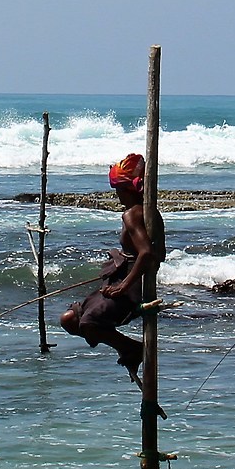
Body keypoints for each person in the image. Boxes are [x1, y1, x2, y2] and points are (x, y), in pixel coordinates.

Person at [61, 154, 165, 395]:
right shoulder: (144, 212)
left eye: (118, 190)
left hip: (131, 287)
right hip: (121, 278)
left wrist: (123, 286)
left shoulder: (133, 214)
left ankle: (132, 349)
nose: (117, 195)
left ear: (127, 189)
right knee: (70, 319)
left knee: (89, 323)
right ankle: (125, 347)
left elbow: (147, 254)